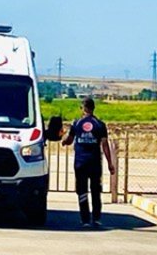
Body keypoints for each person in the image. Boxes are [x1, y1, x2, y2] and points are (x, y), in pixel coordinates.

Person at [61, 97, 113, 228]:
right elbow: (105, 145)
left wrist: (63, 141)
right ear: (93, 108)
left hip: (80, 163)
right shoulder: (100, 124)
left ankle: (85, 220)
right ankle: (96, 218)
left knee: (82, 190)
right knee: (96, 191)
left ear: (83, 108)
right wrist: (110, 163)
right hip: (95, 163)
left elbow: (70, 139)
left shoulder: (77, 123)